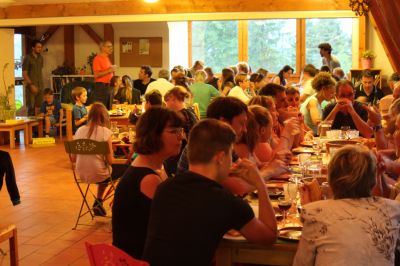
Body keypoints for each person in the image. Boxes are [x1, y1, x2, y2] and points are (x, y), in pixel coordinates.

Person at [143, 119, 287, 266]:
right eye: (231, 154)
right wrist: (260, 185)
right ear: (221, 157)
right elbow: (269, 237)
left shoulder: (164, 188)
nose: (233, 161)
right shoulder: (224, 202)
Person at [293, 145, 400, 266]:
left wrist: (313, 210)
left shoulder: (314, 212)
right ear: (373, 181)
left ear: (330, 180)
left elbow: (302, 263)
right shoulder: (394, 209)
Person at [112, 107, 184, 259]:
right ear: (153, 136)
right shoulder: (148, 179)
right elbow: (173, 223)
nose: (181, 137)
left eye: (181, 130)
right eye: (174, 132)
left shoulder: (155, 168)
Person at [73, 102, 114, 216]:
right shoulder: (105, 132)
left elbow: (73, 158)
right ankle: (117, 205)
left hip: (81, 174)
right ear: (104, 117)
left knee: (102, 170)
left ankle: (98, 201)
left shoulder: (79, 131)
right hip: (99, 174)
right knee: (124, 171)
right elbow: (110, 161)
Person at [163, 87, 198, 177]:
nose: (166, 105)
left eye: (167, 101)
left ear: (173, 98)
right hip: (191, 153)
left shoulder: (180, 116)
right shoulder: (189, 111)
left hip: (183, 156)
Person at [92, 41, 116, 109]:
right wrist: (109, 70)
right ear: (102, 48)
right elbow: (96, 75)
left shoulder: (107, 58)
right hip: (101, 87)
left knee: (108, 108)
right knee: (101, 108)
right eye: (108, 47)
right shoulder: (97, 59)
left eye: (111, 46)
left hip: (108, 86)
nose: (111, 48)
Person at [22, 40, 44, 116]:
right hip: (31, 87)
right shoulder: (27, 58)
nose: (40, 49)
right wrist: (31, 85)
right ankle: (30, 128)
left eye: (41, 47)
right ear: (33, 47)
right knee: (31, 108)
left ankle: (38, 127)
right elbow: (24, 74)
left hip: (40, 86)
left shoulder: (41, 58)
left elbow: (39, 72)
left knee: (39, 108)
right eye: (38, 47)